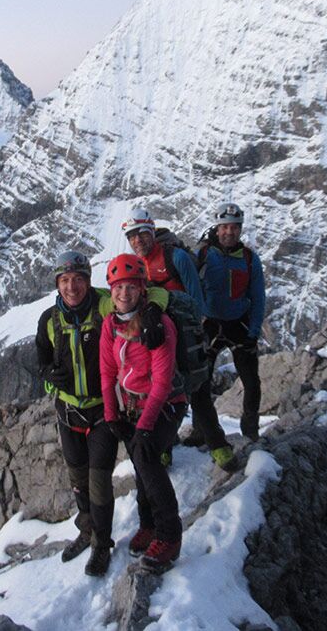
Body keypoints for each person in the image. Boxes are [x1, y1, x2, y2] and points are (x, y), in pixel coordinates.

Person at [35, 251, 169, 577]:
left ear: (88, 280)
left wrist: (153, 311)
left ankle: (101, 544)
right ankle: (87, 530)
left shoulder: (104, 305)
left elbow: (153, 292)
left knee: (98, 483)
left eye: (78, 279)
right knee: (78, 482)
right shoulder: (49, 320)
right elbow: (41, 361)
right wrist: (49, 376)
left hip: (102, 411)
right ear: (57, 284)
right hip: (68, 411)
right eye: (65, 280)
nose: (72, 287)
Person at [123, 208, 239, 471]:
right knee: (160, 392)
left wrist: (193, 330)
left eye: (142, 233)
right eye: (132, 236)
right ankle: (165, 447)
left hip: (187, 335)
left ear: (152, 232)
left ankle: (218, 445)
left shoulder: (176, 258)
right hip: (157, 337)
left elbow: (196, 301)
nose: (137, 240)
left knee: (198, 389)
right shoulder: (136, 265)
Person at [100, 254, 188, 573]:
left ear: (142, 289)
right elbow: (107, 371)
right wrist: (112, 414)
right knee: (140, 464)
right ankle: (148, 525)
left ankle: (169, 535)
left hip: (166, 404)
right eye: (118, 287)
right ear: (111, 291)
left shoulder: (158, 325)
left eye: (131, 287)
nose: (124, 294)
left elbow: (162, 381)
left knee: (147, 459)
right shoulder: (111, 324)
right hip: (132, 406)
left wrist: (146, 426)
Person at [195, 202, 266, 446]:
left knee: (251, 382)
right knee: (200, 382)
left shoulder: (249, 259)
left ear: (240, 229)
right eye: (225, 227)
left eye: (234, 227)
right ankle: (201, 431)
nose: (229, 232)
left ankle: (250, 431)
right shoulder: (203, 255)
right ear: (217, 228)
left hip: (239, 324)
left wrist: (253, 332)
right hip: (210, 322)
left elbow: (258, 297)